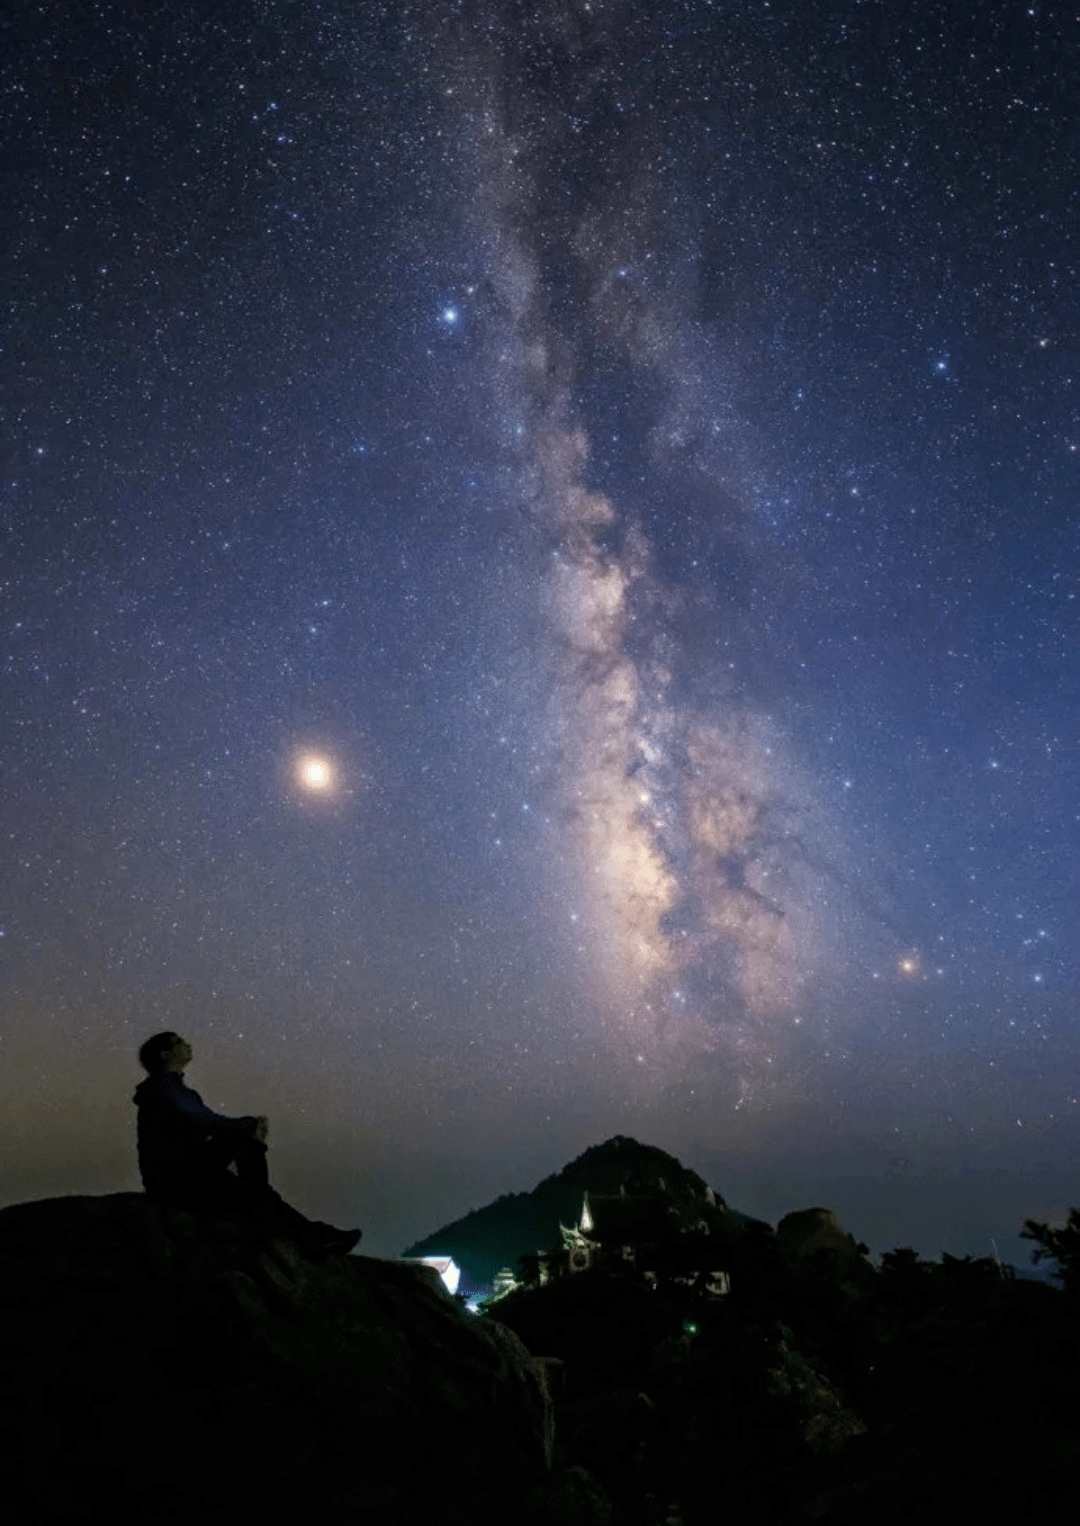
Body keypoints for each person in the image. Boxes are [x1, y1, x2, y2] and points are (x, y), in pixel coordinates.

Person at [133, 1031, 360, 1261]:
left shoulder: (170, 1090)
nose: (187, 1044)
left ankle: (314, 1235)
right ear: (165, 1054)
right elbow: (207, 1122)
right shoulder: (165, 1088)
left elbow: (203, 1130)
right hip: (178, 1181)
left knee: (255, 1192)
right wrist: (251, 1126)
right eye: (179, 1042)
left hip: (182, 1176)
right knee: (249, 1159)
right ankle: (313, 1235)